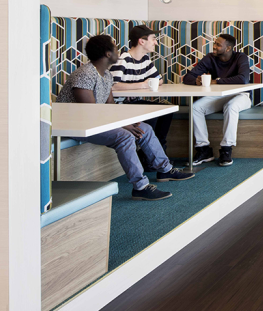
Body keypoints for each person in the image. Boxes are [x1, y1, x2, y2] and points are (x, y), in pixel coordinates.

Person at [57, 34, 194, 201]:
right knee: (124, 136)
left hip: (95, 122)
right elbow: (89, 114)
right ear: (108, 54)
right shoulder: (85, 74)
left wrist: (127, 122)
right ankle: (141, 187)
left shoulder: (106, 75)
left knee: (144, 128)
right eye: (115, 47)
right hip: (76, 125)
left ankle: (164, 170)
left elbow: (110, 108)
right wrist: (123, 126)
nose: (118, 51)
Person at [183, 33, 252, 167]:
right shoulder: (210, 58)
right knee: (195, 108)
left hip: (241, 95)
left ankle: (226, 149)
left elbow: (243, 79)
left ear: (228, 48)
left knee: (231, 107)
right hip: (220, 96)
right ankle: (204, 149)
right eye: (215, 43)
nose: (214, 46)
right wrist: (197, 81)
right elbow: (188, 77)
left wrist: (217, 81)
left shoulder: (240, 57)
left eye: (218, 45)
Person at [111, 25, 172, 150]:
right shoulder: (123, 60)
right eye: (153, 39)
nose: (156, 42)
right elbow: (112, 86)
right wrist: (143, 84)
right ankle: (147, 153)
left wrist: (148, 82)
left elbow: (159, 80)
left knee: (167, 109)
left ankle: (159, 149)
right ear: (141, 41)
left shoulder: (145, 59)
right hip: (118, 106)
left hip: (134, 103)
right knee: (152, 112)